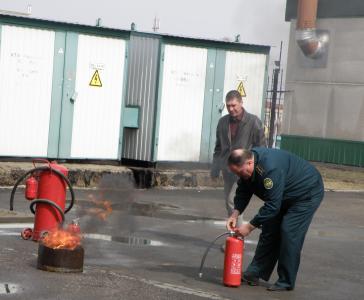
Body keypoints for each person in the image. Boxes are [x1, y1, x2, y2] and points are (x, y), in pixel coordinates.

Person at [226, 148, 324, 291]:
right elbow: (243, 191)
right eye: (236, 173)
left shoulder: (270, 169)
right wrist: (235, 214)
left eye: (240, 172)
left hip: (306, 193)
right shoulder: (248, 168)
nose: (240, 176)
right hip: (284, 193)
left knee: (289, 232)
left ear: (249, 163)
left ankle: (286, 281)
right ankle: (255, 272)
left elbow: (272, 206)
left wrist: (249, 226)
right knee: (269, 229)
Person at [211, 90, 265, 227]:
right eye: (228, 105)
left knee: (232, 201)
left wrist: (258, 168)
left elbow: (262, 148)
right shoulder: (223, 122)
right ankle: (235, 235)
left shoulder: (253, 121)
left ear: (241, 103)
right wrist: (215, 169)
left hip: (243, 169)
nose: (231, 108)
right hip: (227, 168)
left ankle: (237, 237)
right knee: (229, 202)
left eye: (234, 105)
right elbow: (218, 147)